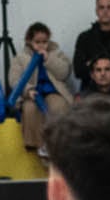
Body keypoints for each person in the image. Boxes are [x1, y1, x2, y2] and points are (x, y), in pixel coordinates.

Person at [13, 22, 71, 153]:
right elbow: (14, 80)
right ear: (29, 41)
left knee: (59, 106)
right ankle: (39, 145)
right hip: (32, 93)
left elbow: (64, 73)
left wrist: (49, 60)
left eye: (44, 42)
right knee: (30, 109)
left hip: (53, 91)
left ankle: (59, 144)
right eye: (37, 42)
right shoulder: (20, 58)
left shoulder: (56, 54)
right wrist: (27, 90)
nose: (41, 45)